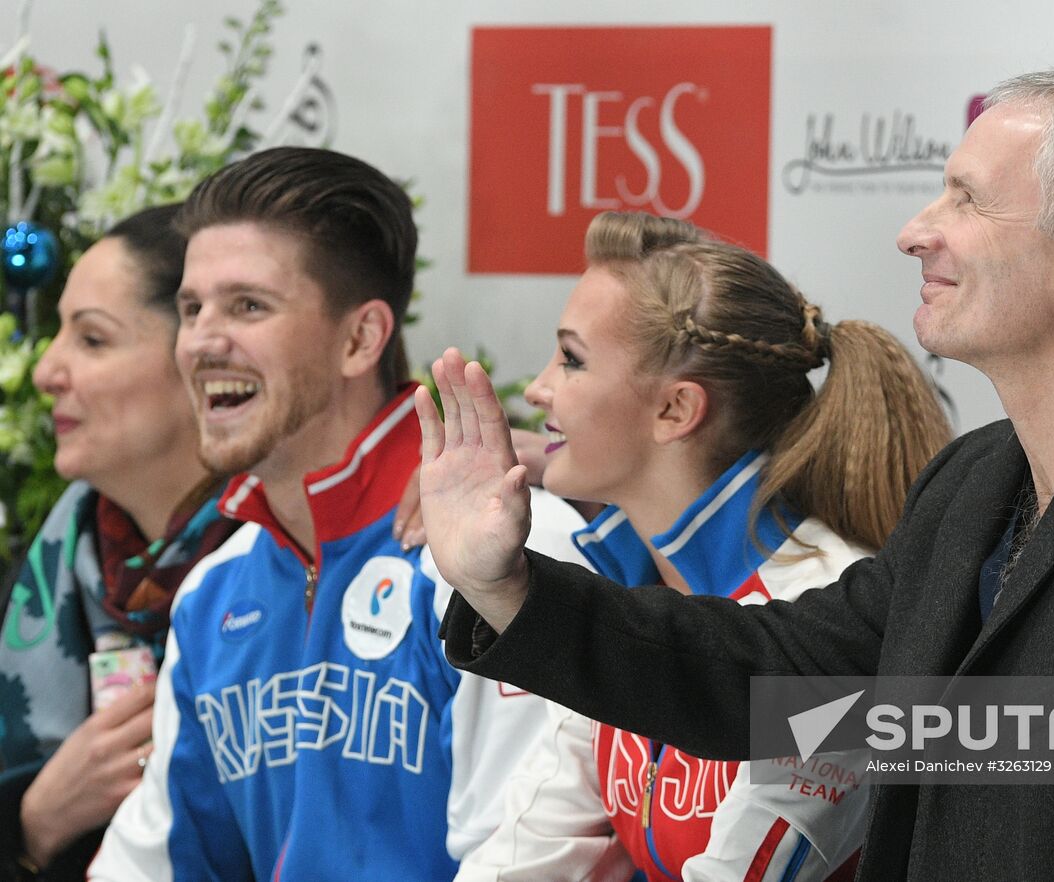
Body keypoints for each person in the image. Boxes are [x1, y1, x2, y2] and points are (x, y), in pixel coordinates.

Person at [418, 71, 1054, 880]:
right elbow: (775, 682)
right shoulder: (974, 483)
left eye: (966, 199)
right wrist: (509, 589)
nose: (917, 231)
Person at [89, 147, 587, 881]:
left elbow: (533, 857)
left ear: (360, 338)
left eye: (248, 305)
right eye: (192, 308)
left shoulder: (507, 549)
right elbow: (151, 865)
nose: (201, 340)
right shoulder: (213, 593)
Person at [449, 211, 951, 881]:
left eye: (571, 359)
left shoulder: (825, 610)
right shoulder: (620, 591)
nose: (537, 388)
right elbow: (527, 855)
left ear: (676, 411)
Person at [0, 205, 242, 881]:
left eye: (92, 340)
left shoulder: (291, 564)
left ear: (198, 357)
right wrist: (32, 823)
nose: (47, 370)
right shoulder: (45, 570)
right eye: (56, 334)